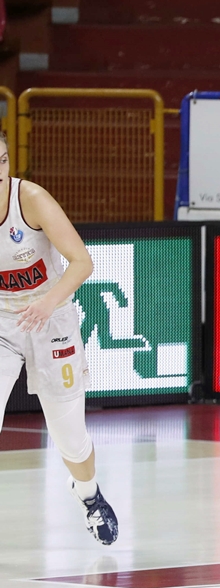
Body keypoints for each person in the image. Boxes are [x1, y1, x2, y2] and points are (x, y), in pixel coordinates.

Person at [0, 136, 118, 545]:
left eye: (2, 161)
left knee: (69, 435)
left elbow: (83, 261)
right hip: (3, 323)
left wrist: (48, 303)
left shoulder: (30, 199)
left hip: (51, 316)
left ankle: (90, 497)